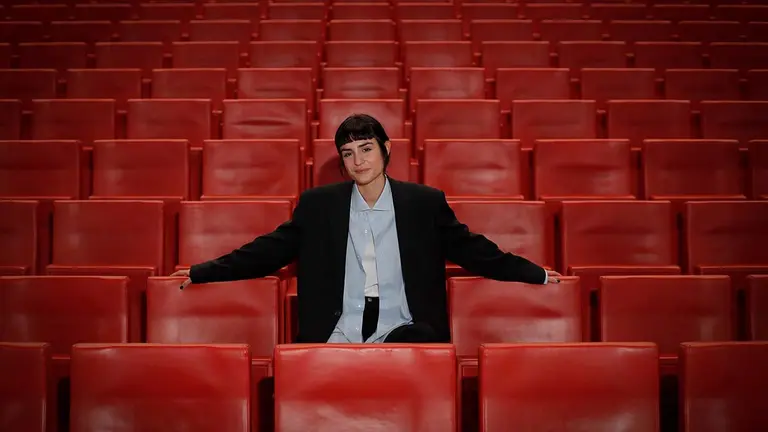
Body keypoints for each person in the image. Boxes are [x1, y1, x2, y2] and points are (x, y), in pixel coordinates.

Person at [172, 114, 561, 344]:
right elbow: (266, 251)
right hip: (337, 331)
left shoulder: (423, 203)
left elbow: (475, 251)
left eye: (366, 149)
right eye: (348, 153)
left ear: (386, 149)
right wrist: (203, 271)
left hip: (404, 329)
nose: (357, 161)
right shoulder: (319, 206)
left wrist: (537, 274)